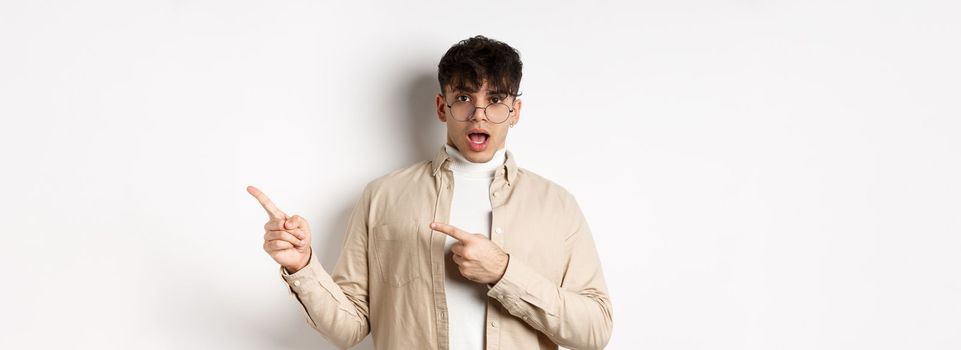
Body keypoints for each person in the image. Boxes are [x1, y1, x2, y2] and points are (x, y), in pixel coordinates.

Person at [247, 35, 613, 350]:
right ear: (442, 107)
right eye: (465, 98)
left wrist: (503, 271)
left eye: (497, 100)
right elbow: (350, 328)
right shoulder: (382, 197)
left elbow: (594, 329)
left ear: (515, 111)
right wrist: (303, 266)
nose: (479, 115)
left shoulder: (557, 206)